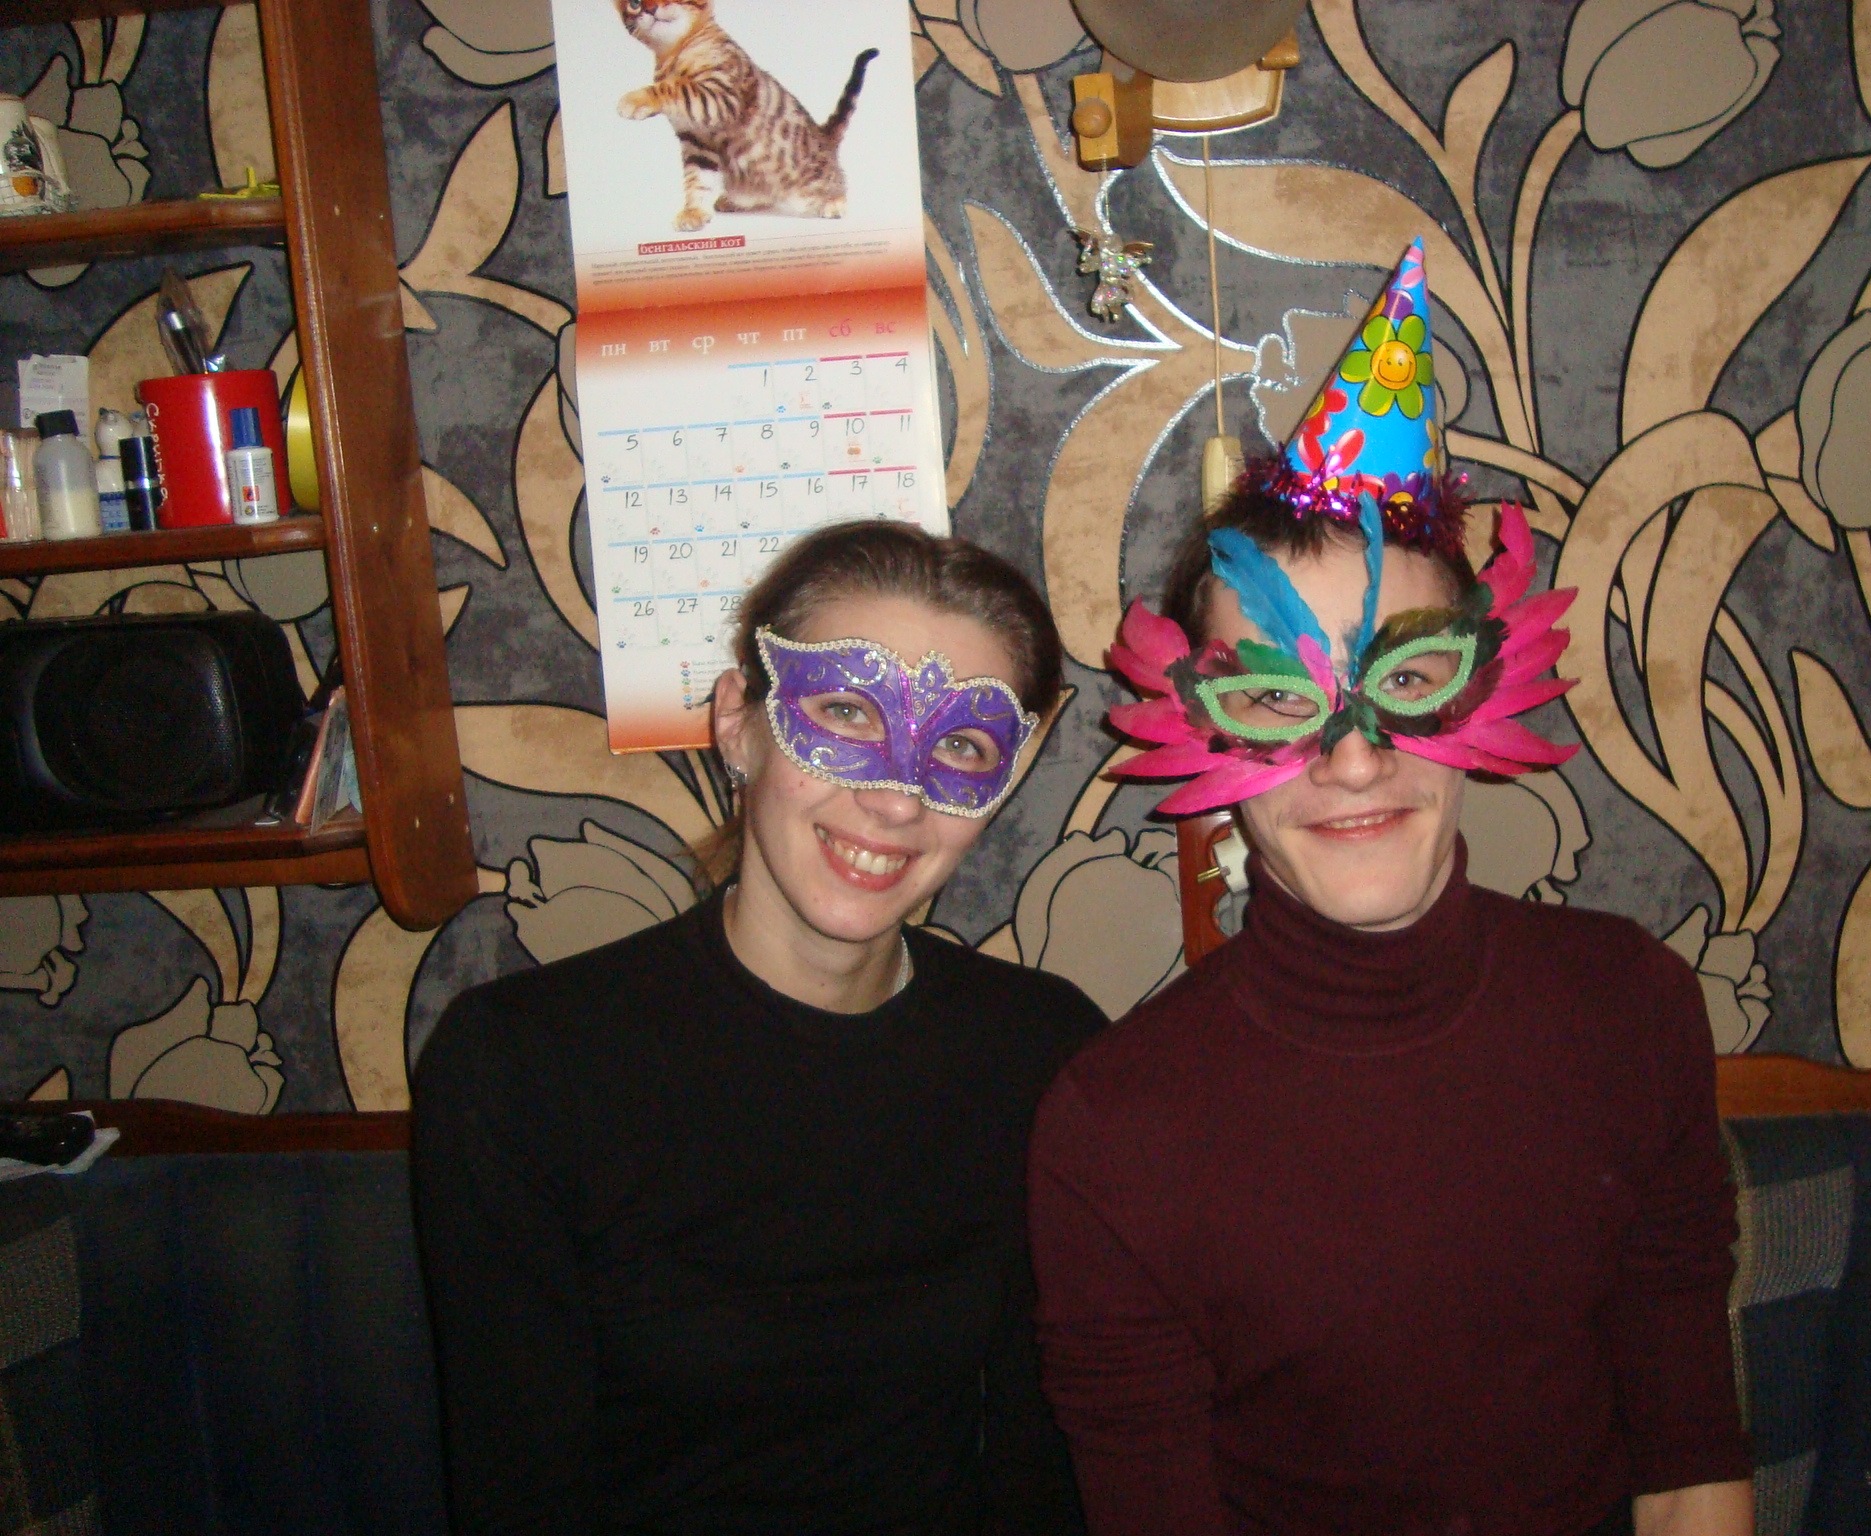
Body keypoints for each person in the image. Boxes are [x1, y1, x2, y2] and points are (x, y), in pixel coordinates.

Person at [1028, 242, 1753, 1536]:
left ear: (1489, 684)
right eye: (1277, 699)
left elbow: (1689, 1446)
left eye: (1406, 678)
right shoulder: (1114, 1129)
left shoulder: (1628, 1003)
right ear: (1200, 734)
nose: (1353, 758)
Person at [413, 520, 1104, 1535]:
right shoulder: (522, 1068)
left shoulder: (1039, 1051)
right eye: (845, 713)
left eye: (959, 744)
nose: (894, 799)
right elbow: (518, 1492)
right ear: (738, 722)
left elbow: (1041, 1460)